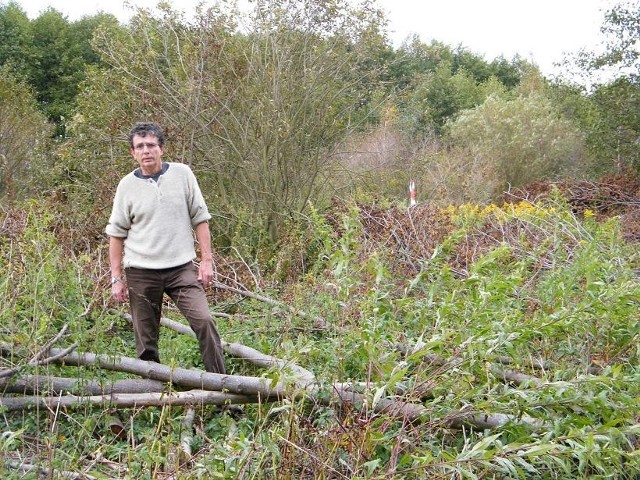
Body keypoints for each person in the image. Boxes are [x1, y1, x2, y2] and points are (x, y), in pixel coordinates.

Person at [106, 121, 226, 374]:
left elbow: (200, 218)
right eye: (140, 146)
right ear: (133, 153)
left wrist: (206, 261)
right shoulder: (126, 186)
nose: (146, 150)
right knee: (146, 341)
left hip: (180, 269)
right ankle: (153, 397)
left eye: (151, 145)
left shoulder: (182, 175)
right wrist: (116, 278)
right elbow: (116, 234)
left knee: (204, 321)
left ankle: (221, 387)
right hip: (141, 271)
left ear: (161, 148)